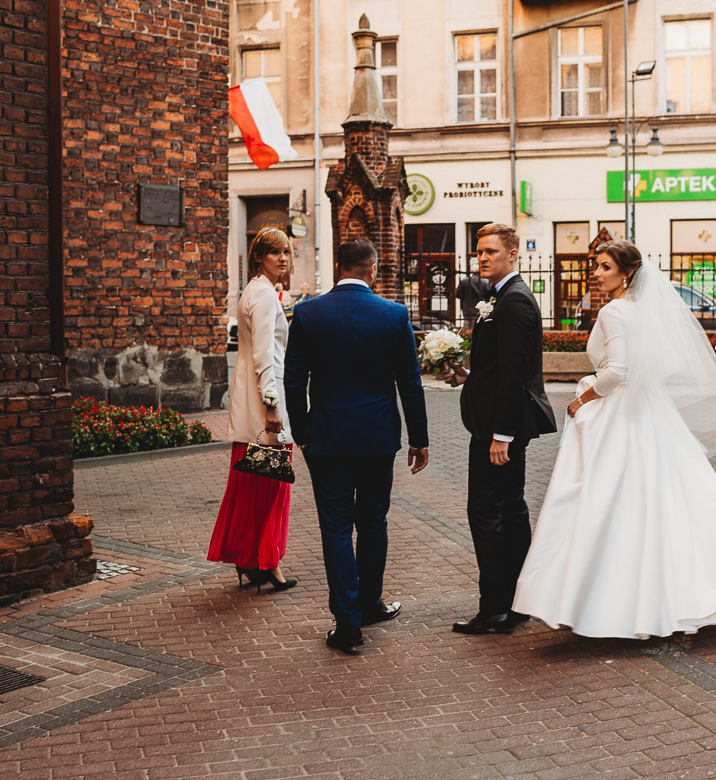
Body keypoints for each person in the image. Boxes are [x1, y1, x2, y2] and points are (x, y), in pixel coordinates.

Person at [512, 241, 716, 639]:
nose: (596, 273)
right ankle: (662, 592)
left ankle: (607, 599)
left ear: (627, 273)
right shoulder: (641, 311)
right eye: (595, 266)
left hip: (617, 414)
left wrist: (581, 399)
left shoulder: (614, 311)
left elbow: (616, 372)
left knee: (609, 503)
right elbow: (655, 363)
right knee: (657, 499)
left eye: (604, 267)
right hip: (648, 411)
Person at [285, 238, 430, 655]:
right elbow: (410, 381)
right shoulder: (394, 314)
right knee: (373, 521)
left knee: (335, 526)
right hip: (378, 437)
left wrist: (304, 432)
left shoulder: (308, 314)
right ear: (372, 271)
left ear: (337, 268)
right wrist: (419, 438)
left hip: (327, 438)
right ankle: (370, 603)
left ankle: (347, 624)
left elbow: (294, 379)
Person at [440, 223, 557, 635]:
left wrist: (501, 436)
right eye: (479, 252)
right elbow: (497, 367)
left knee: (487, 513)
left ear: (513, 254)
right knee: (510, 509)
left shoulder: (514, 302)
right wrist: (468, 374)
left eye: (490, 251)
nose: (482, 258)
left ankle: (494, 610)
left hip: (498, 428)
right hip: (495, 422)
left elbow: (513, 375)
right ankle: (516, 601)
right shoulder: (499, 297)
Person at [208, 227, 298, 593]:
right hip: (265, 411)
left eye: (286, 252)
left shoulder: (257, 292)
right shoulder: (262, 296)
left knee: (253, 487)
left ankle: (250, 558)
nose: (282, 258)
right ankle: (268, 562)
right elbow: (265, 356)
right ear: (259, 256)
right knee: (271, 489)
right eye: (274, 252)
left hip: (251, 408)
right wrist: (273, 407)